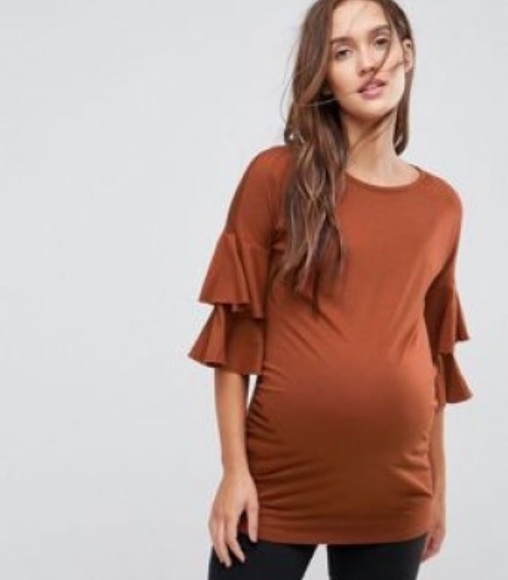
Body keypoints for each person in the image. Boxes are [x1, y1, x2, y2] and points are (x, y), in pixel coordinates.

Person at [187, 0, 473, 578]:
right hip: (275, 483)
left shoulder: (441, 205)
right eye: (343, 52)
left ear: (407, 54)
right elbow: (234, 338)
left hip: (396, 489)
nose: (368, 63)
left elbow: (434, 358)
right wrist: (234, 472)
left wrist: (438, 489)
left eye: (380, 42)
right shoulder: (276, 176)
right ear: (324, 76)